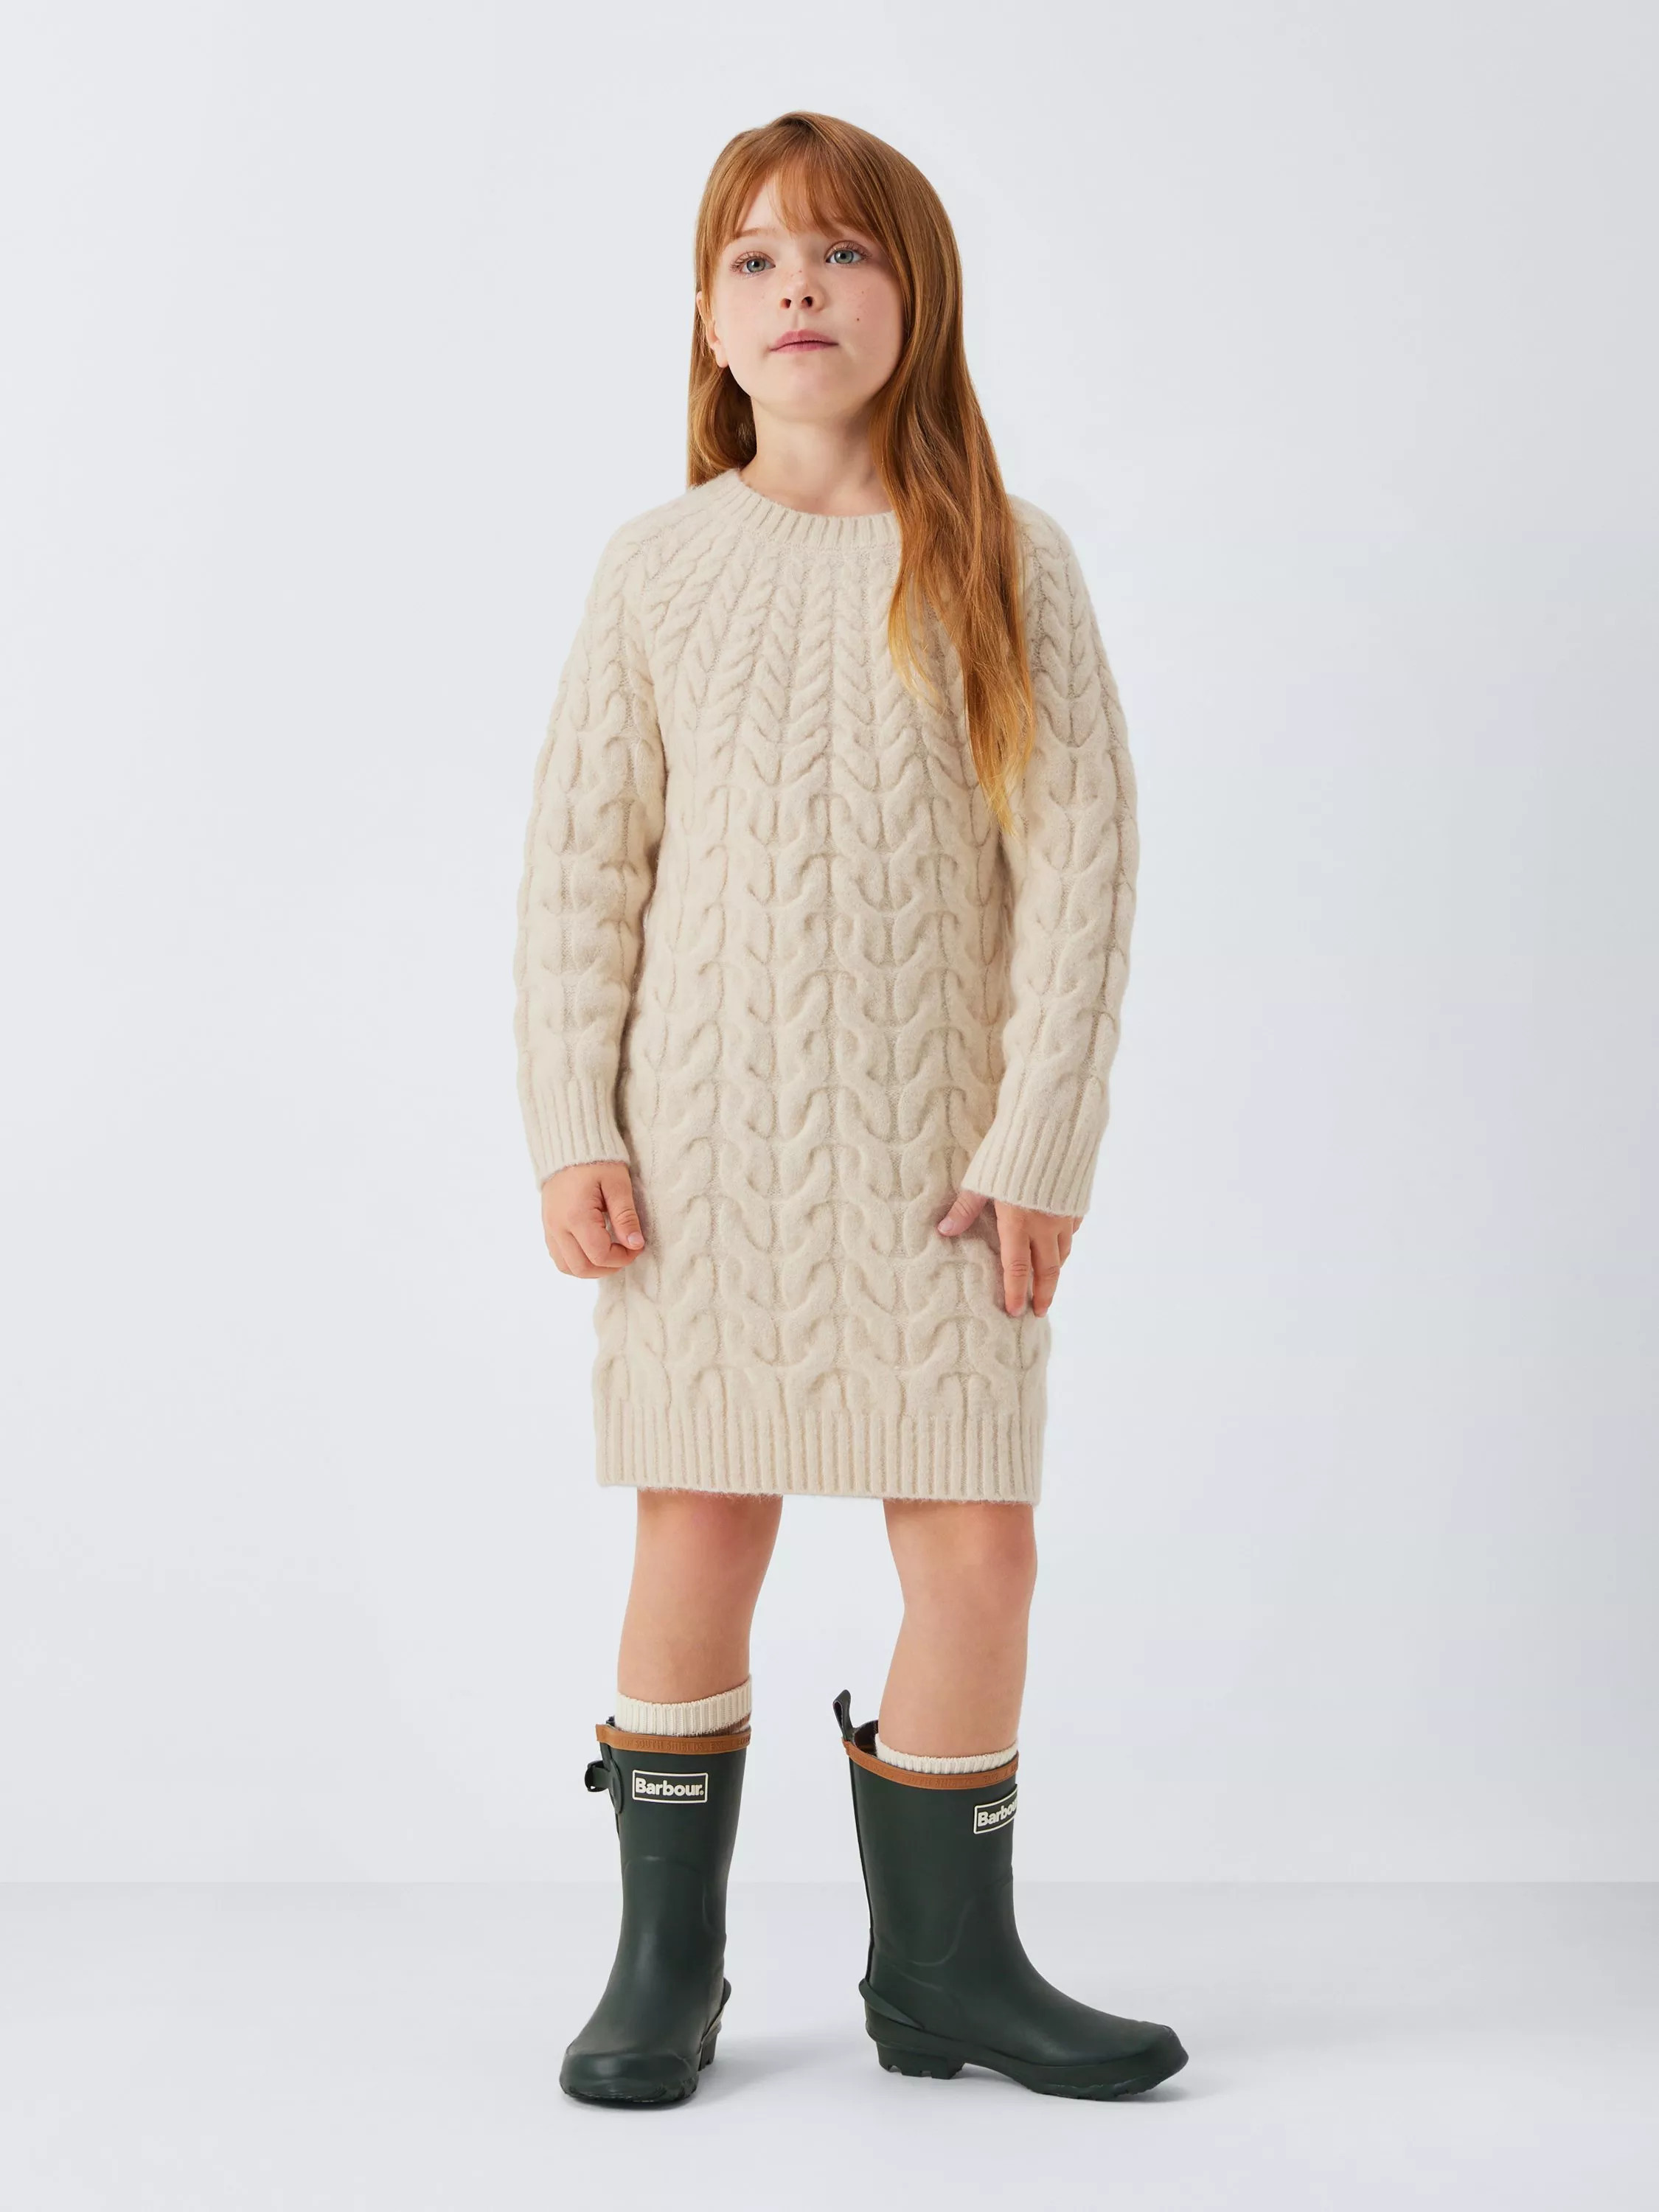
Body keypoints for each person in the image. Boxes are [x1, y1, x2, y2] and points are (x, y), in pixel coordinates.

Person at [512, 108, 1187, 2107]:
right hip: (701, 1164)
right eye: (756, 259)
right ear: (710, 319)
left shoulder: (1005, 559)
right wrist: (572, 1121)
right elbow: (581, 868)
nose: (797, 289)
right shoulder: (658, 570)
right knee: (697, 1528)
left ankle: (948, 1969)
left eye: (844, 253)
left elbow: (1081, 873)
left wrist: (1037, 1143)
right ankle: (664, 1968)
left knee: (979, 1554)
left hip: (938, 1178)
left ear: (918, 298)